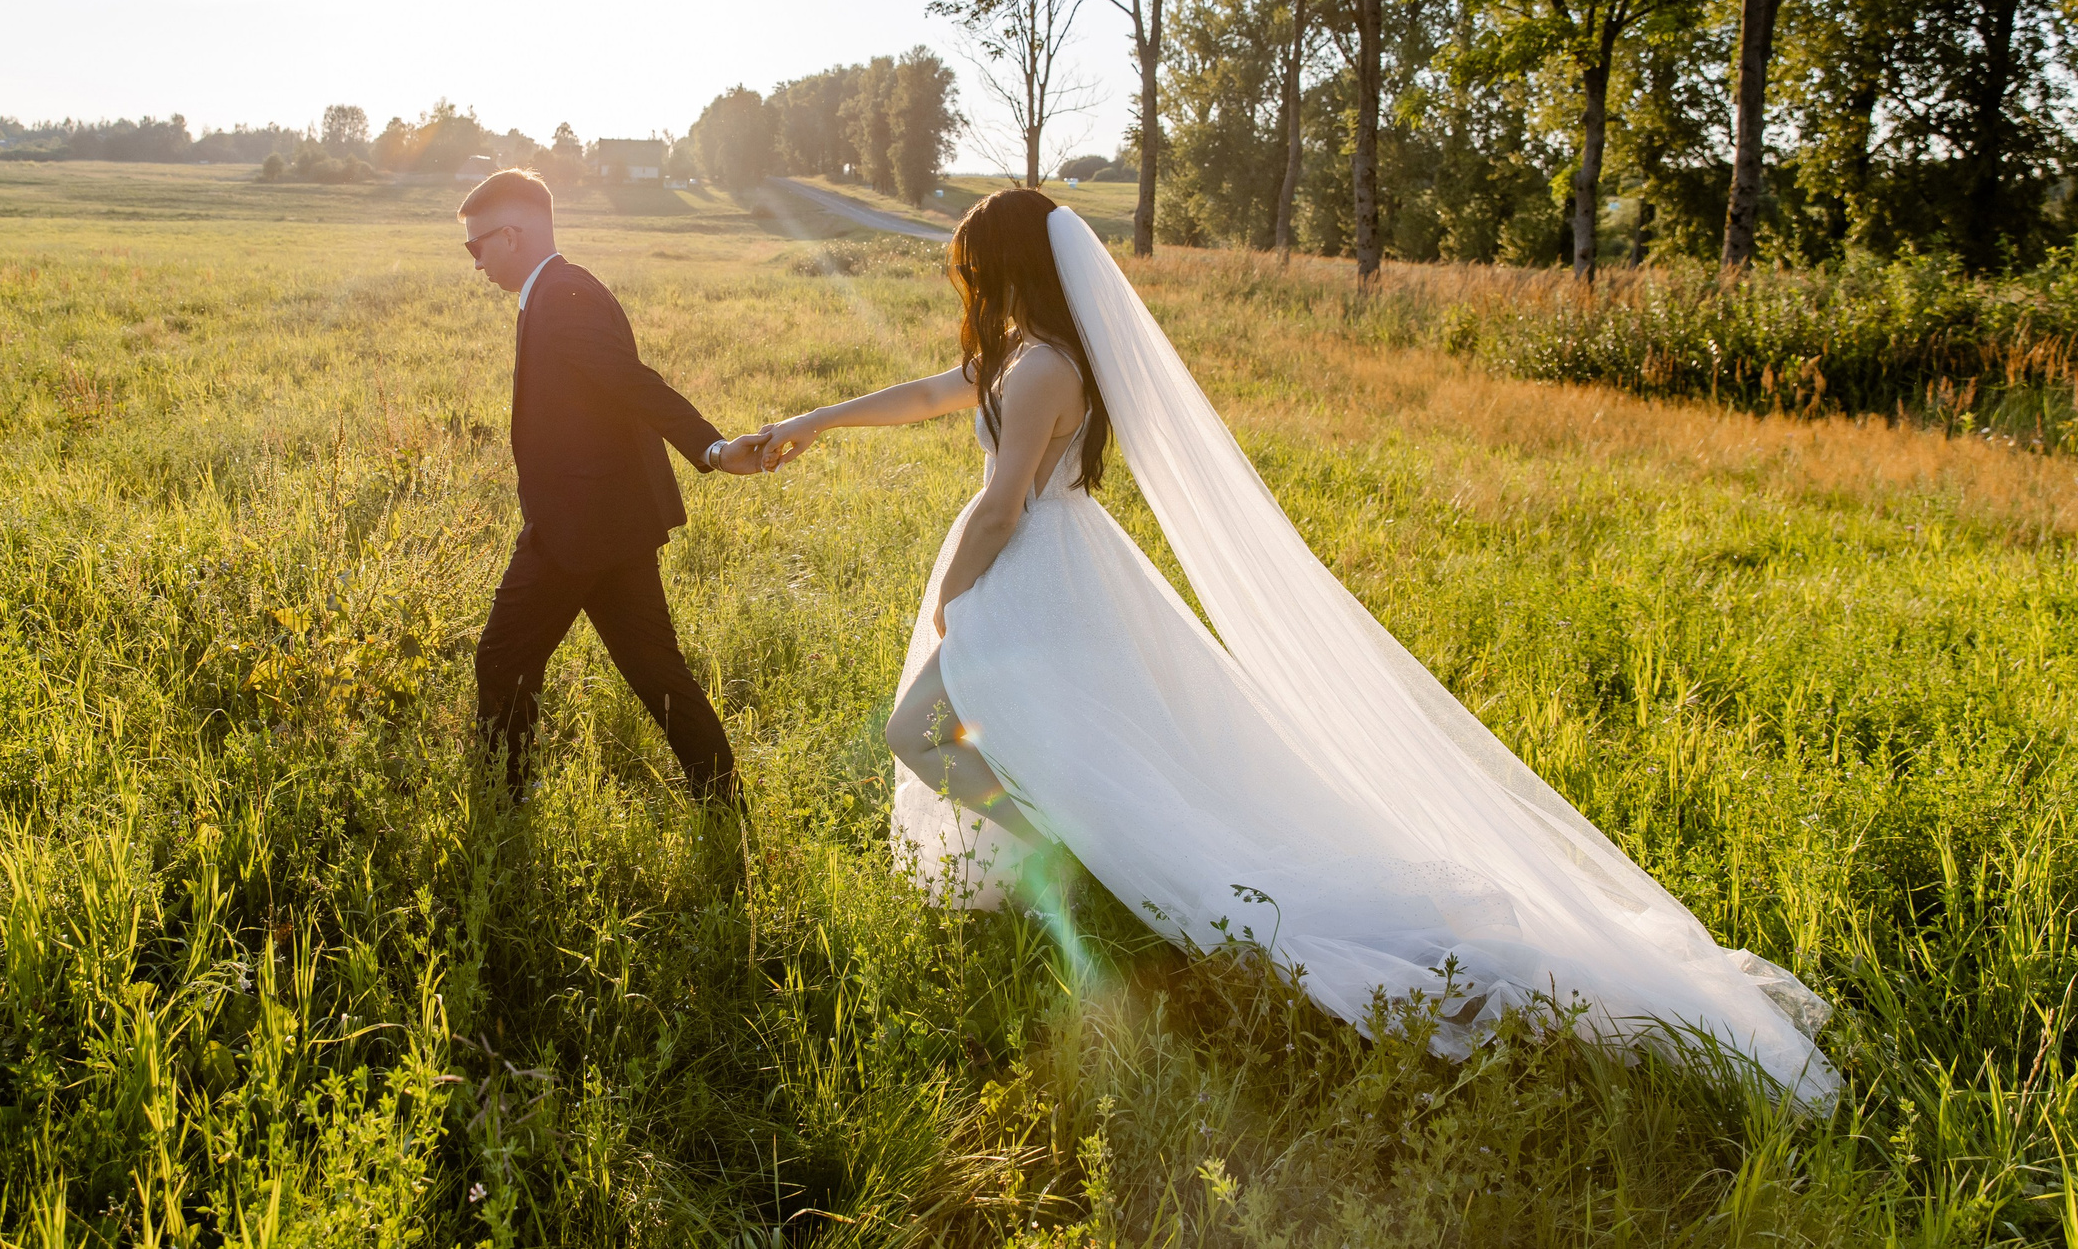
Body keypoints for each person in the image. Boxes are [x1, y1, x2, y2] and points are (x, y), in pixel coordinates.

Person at [756, 187, 1838, 1101]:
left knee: (922, 728)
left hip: (1027, 573)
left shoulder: (1043, 368)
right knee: (1034, 739)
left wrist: (950, 595)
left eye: (969, 270)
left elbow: (999, 505)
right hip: (1049, 573)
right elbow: (932, 394)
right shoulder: (1024, 355)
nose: (964, 289)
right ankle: (1070, 846)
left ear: (1004, 267)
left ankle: (1070, 851)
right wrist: (811, 421)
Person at [458, 168, 767, 805]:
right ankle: (722, 796)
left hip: (575, 528)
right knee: (654, 669)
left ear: (511, 235)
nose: (475, 263)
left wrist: (710, 448)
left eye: (476, 246)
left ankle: (502, 799)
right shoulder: (557, 291)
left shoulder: (564, 296)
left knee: (502, 659)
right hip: (610, 523)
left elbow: (633, 383)